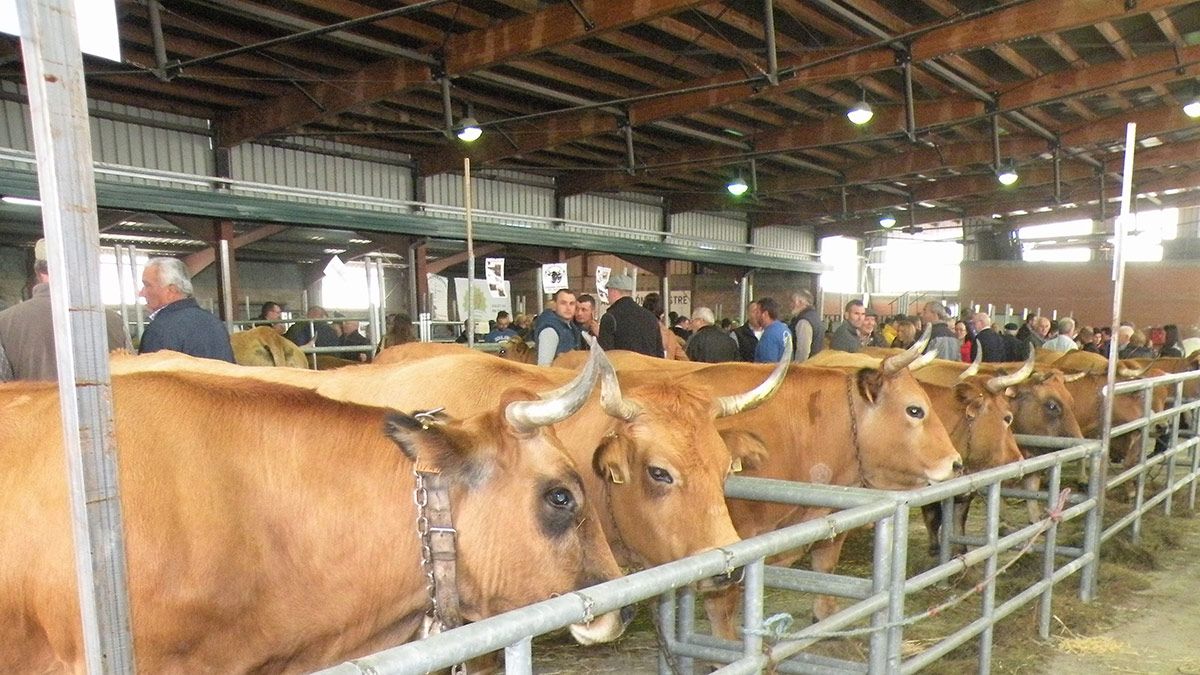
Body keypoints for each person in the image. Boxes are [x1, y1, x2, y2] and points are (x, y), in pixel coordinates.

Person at [0, 243, 132, 381]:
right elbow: (132, 378)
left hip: (35, 402)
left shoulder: (5, 323)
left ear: (39, 272)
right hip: (111, 402)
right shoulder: (114, 321)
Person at [137, 256, 234, 362]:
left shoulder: (159, 330)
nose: (141, 293)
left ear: (171, 291)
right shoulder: (214, 322)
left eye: (147, 285)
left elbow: (148, 377)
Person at [598, 276, 663, 358]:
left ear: (613, 291)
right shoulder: (651, 317)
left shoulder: (609, 318)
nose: (607, 295)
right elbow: (660, 354)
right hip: (648, 369)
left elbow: (605, 355)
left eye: (608, 291)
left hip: (623, 369)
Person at [533, 289, 582, 366]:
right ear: (555, 306)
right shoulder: (550, 330)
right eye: (563, 303)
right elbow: (544, 367)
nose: (568, 308)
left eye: (571, 304)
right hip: (557, 376)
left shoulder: (571, 327)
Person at [753, 297, 790, 362]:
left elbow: (768, 366)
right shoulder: (785, 330)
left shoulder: (769, 336)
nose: (755, 315)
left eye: (757, 312)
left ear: (765, 314)